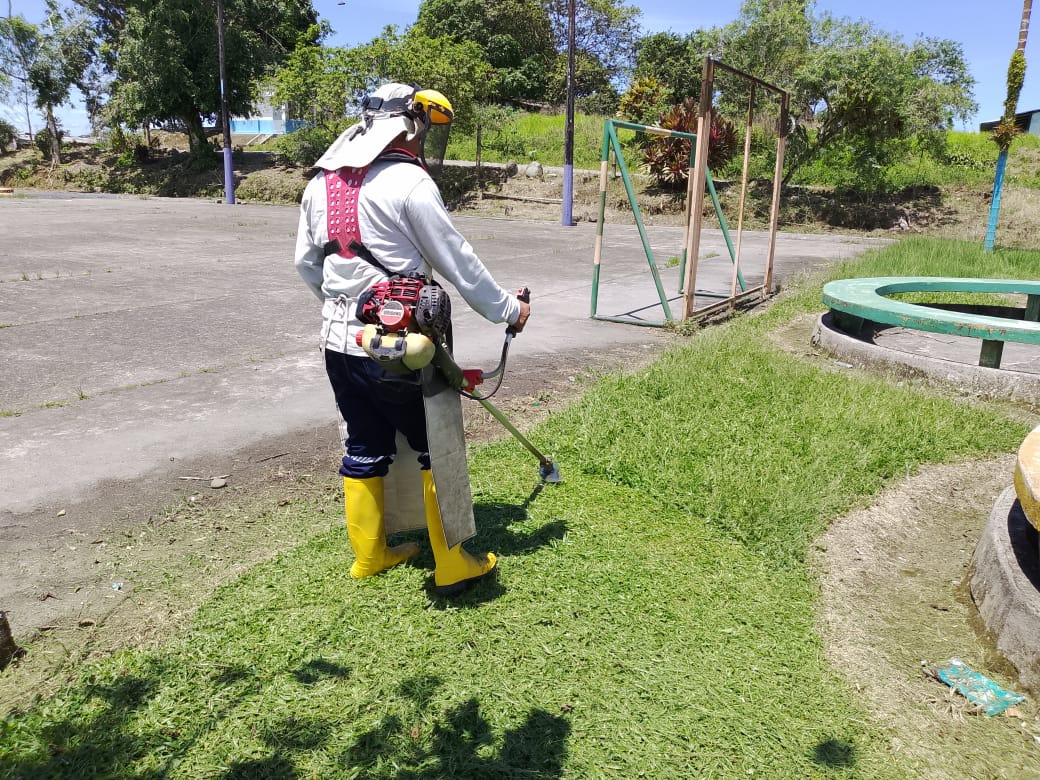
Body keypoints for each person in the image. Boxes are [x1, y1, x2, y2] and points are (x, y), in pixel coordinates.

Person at [295, 82, 531, 596]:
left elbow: (306, 265)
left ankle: (370, 556)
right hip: (404, 347)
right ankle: (452, 564)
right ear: (409, 125)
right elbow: (457, 260)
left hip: (339, 344)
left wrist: (344, 315)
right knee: (434, 447)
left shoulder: (320, 184)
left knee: (363, 444)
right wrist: (510, 310)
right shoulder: (408, 182)